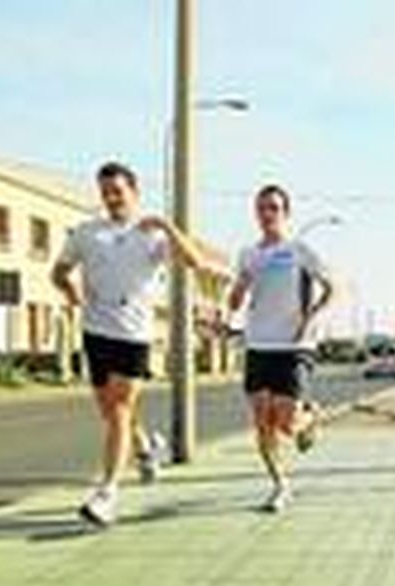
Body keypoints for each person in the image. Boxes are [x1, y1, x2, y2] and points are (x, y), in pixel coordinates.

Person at [51, 161, 225, 526]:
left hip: (133, 334)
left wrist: (164, 224)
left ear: (134, 191)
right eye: (105, 192)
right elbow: (59, 271)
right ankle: (147, 449)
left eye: (117, 190)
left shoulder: (151, 235)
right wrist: (73, 295)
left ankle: (107, 493)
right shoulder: (86, 232)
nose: (111, 198)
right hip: (96, 331)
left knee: (118, 412)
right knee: (112, 413)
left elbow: (193, 261)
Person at [227, 184, 335, 513]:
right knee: (262, 422)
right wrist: (236, 294)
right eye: (262, 208)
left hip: (293, 345)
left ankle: (311, 417)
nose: (267, 214)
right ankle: (280, 485)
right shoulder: (249, 253)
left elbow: (332, 288)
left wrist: (310, 318)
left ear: (285, 213)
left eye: (273, 208)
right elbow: (237, 297)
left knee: (287, 424)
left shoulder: (299, 250)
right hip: (258, 344)